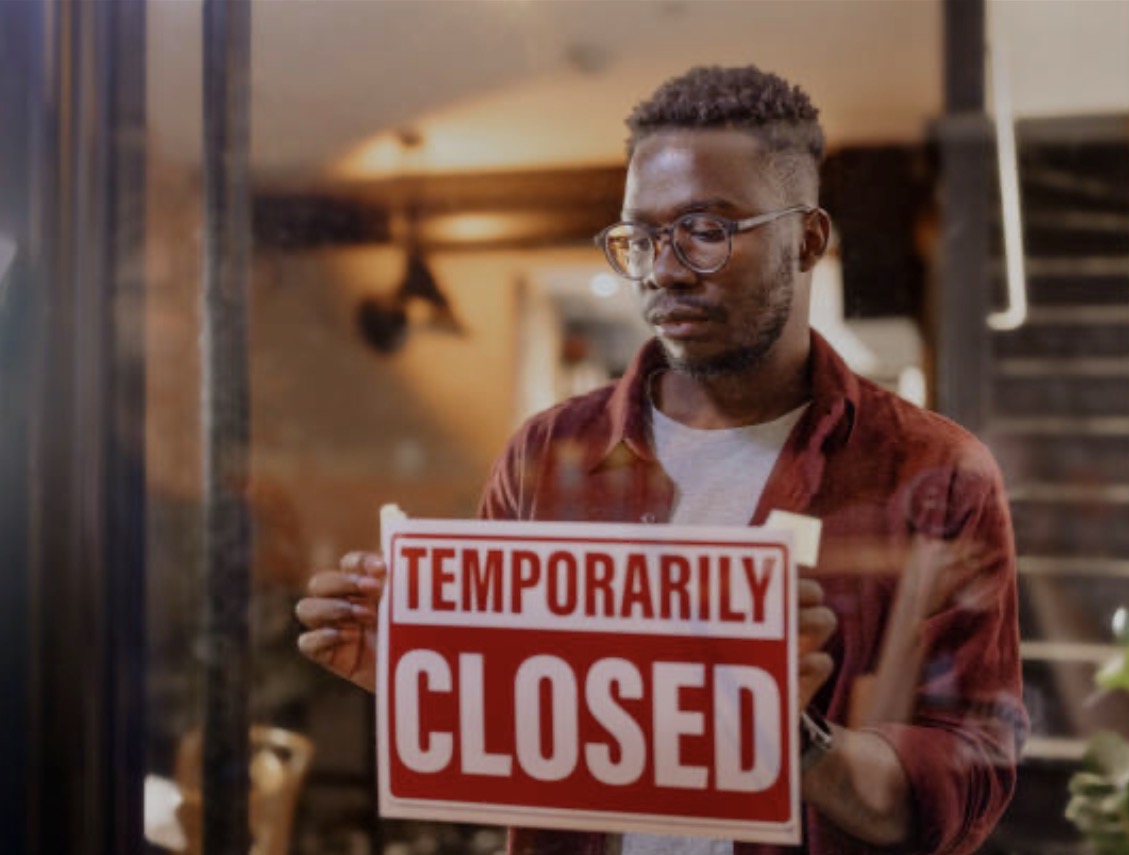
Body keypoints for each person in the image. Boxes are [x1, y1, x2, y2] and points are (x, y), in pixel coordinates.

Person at [296, 65, 1026, 855]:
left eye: (707, 230)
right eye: (641, 237)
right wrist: (431, 682)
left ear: (807, 238)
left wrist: (790, 739)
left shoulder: (935, 471)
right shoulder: (547, 454)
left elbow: (964, 778)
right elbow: (542, 737)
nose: (665, 268)